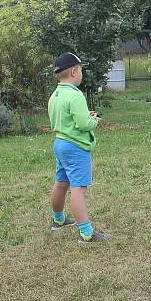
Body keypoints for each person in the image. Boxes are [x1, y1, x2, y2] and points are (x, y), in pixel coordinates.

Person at [48, 52, 110, 243]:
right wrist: (94, 120)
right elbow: (84, 125)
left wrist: (84, 116)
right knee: (78, 189)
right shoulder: (75, 96)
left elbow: (65, 119)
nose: (81, 72)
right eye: (81, 69)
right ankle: (86, 233)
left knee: (61, 183)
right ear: (74, 71)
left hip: (60, 144)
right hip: (76, 147)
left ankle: (58, 220)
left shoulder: (56, 95)